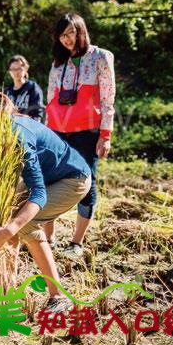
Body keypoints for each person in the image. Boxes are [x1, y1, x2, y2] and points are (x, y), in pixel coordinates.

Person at [0, 85, 91, 313]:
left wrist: (9, 230)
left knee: (27, 225)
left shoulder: (16, 132)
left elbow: (39, 193)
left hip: (73, 178)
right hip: (49, 176)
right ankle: (6, 285)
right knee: (11, 214)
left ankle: (59, 296)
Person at [45, 13, 116, 258]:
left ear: (80, 30)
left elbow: (108, 98)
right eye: (62, 35)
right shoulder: (57, 63)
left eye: (70, 33)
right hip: (57, 131)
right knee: (49, 180)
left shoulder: (100, 57)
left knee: (86, 182)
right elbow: (50, 100)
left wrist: (105, 134)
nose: (66, 39)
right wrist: (46, 132)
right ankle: (48, 237)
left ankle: (76, 242)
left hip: (87, 132)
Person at [4, 55, 45, 122]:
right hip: (10, 128)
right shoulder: (7, 92)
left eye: (19, 69)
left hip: (28, 127)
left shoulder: (33, 88)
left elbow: (37, 113)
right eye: (13, 69)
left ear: (25, 69)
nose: (16, 72)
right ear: (9, 71)